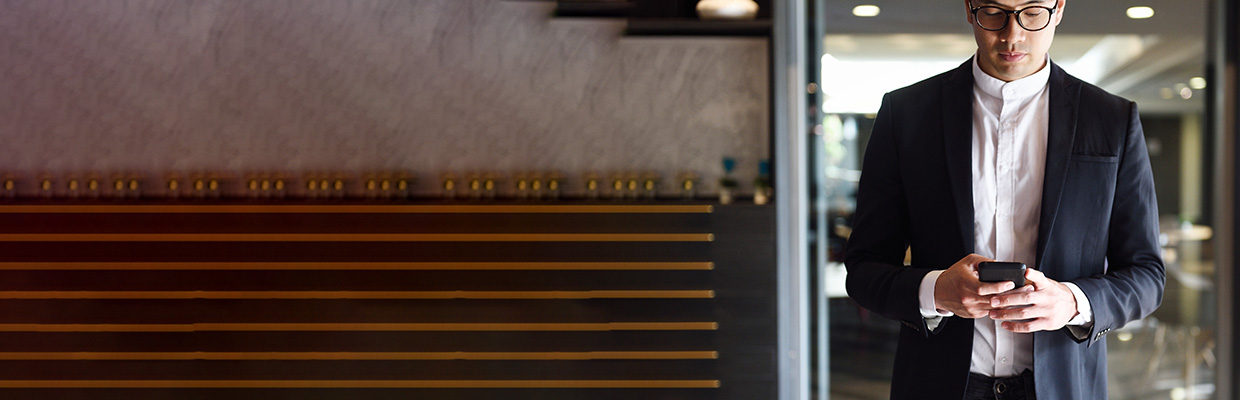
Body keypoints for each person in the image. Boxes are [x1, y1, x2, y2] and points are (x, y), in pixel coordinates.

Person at [843, 0, 1166, 399]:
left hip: (1064, 386)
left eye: (1032, 12)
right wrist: (935, 290)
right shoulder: (905, 114)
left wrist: (1072, 302)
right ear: (969, 8)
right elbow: (862, 270)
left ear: (1059, 7)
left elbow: (1147, 275)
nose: (1012, 34)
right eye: (993, 11)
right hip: (937, 385)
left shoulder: (1113, 119)